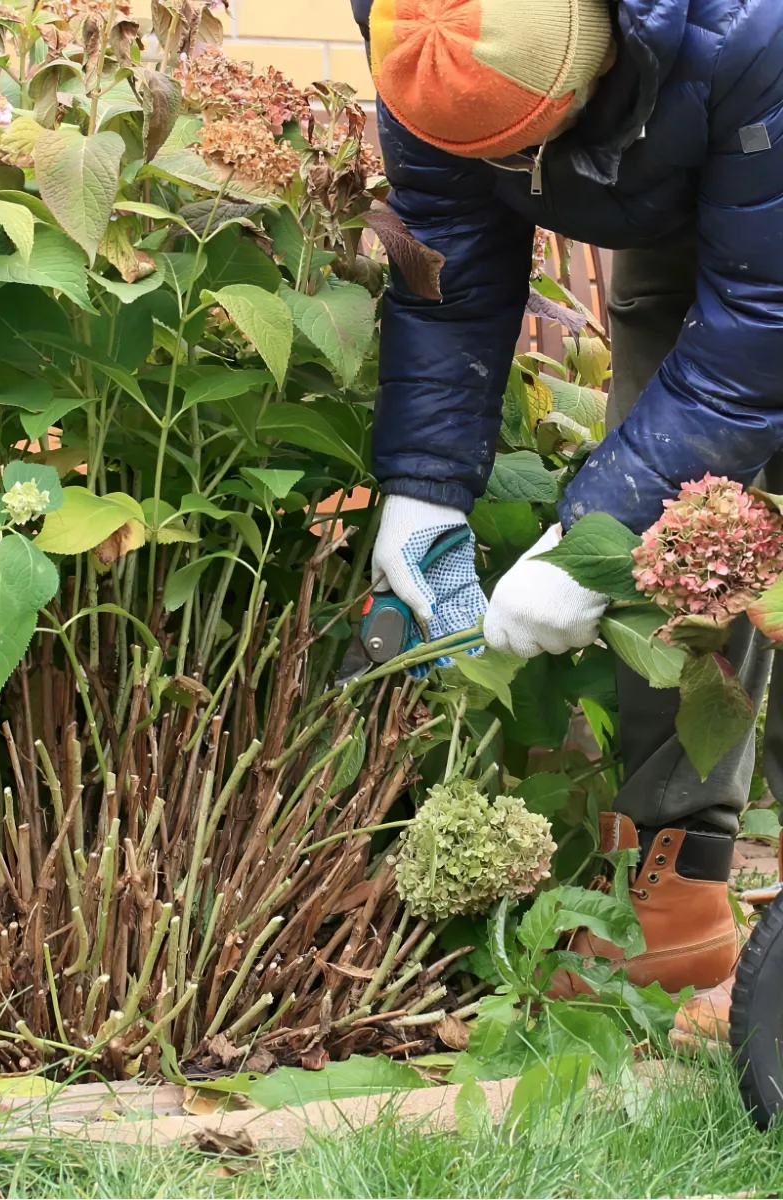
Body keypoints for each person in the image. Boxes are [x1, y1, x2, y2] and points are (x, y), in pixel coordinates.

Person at [352, 0, 783, 1043]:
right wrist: (424, 487)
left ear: (598, 67)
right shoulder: (423, 35)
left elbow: (763, 326)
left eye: (532, 145)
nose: (523, 172)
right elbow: (448, 269)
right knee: (673, 527)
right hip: (683, 177)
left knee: (735, 524)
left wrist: (583, 539)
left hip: (762, 169)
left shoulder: (751, 33)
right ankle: (679, 887)